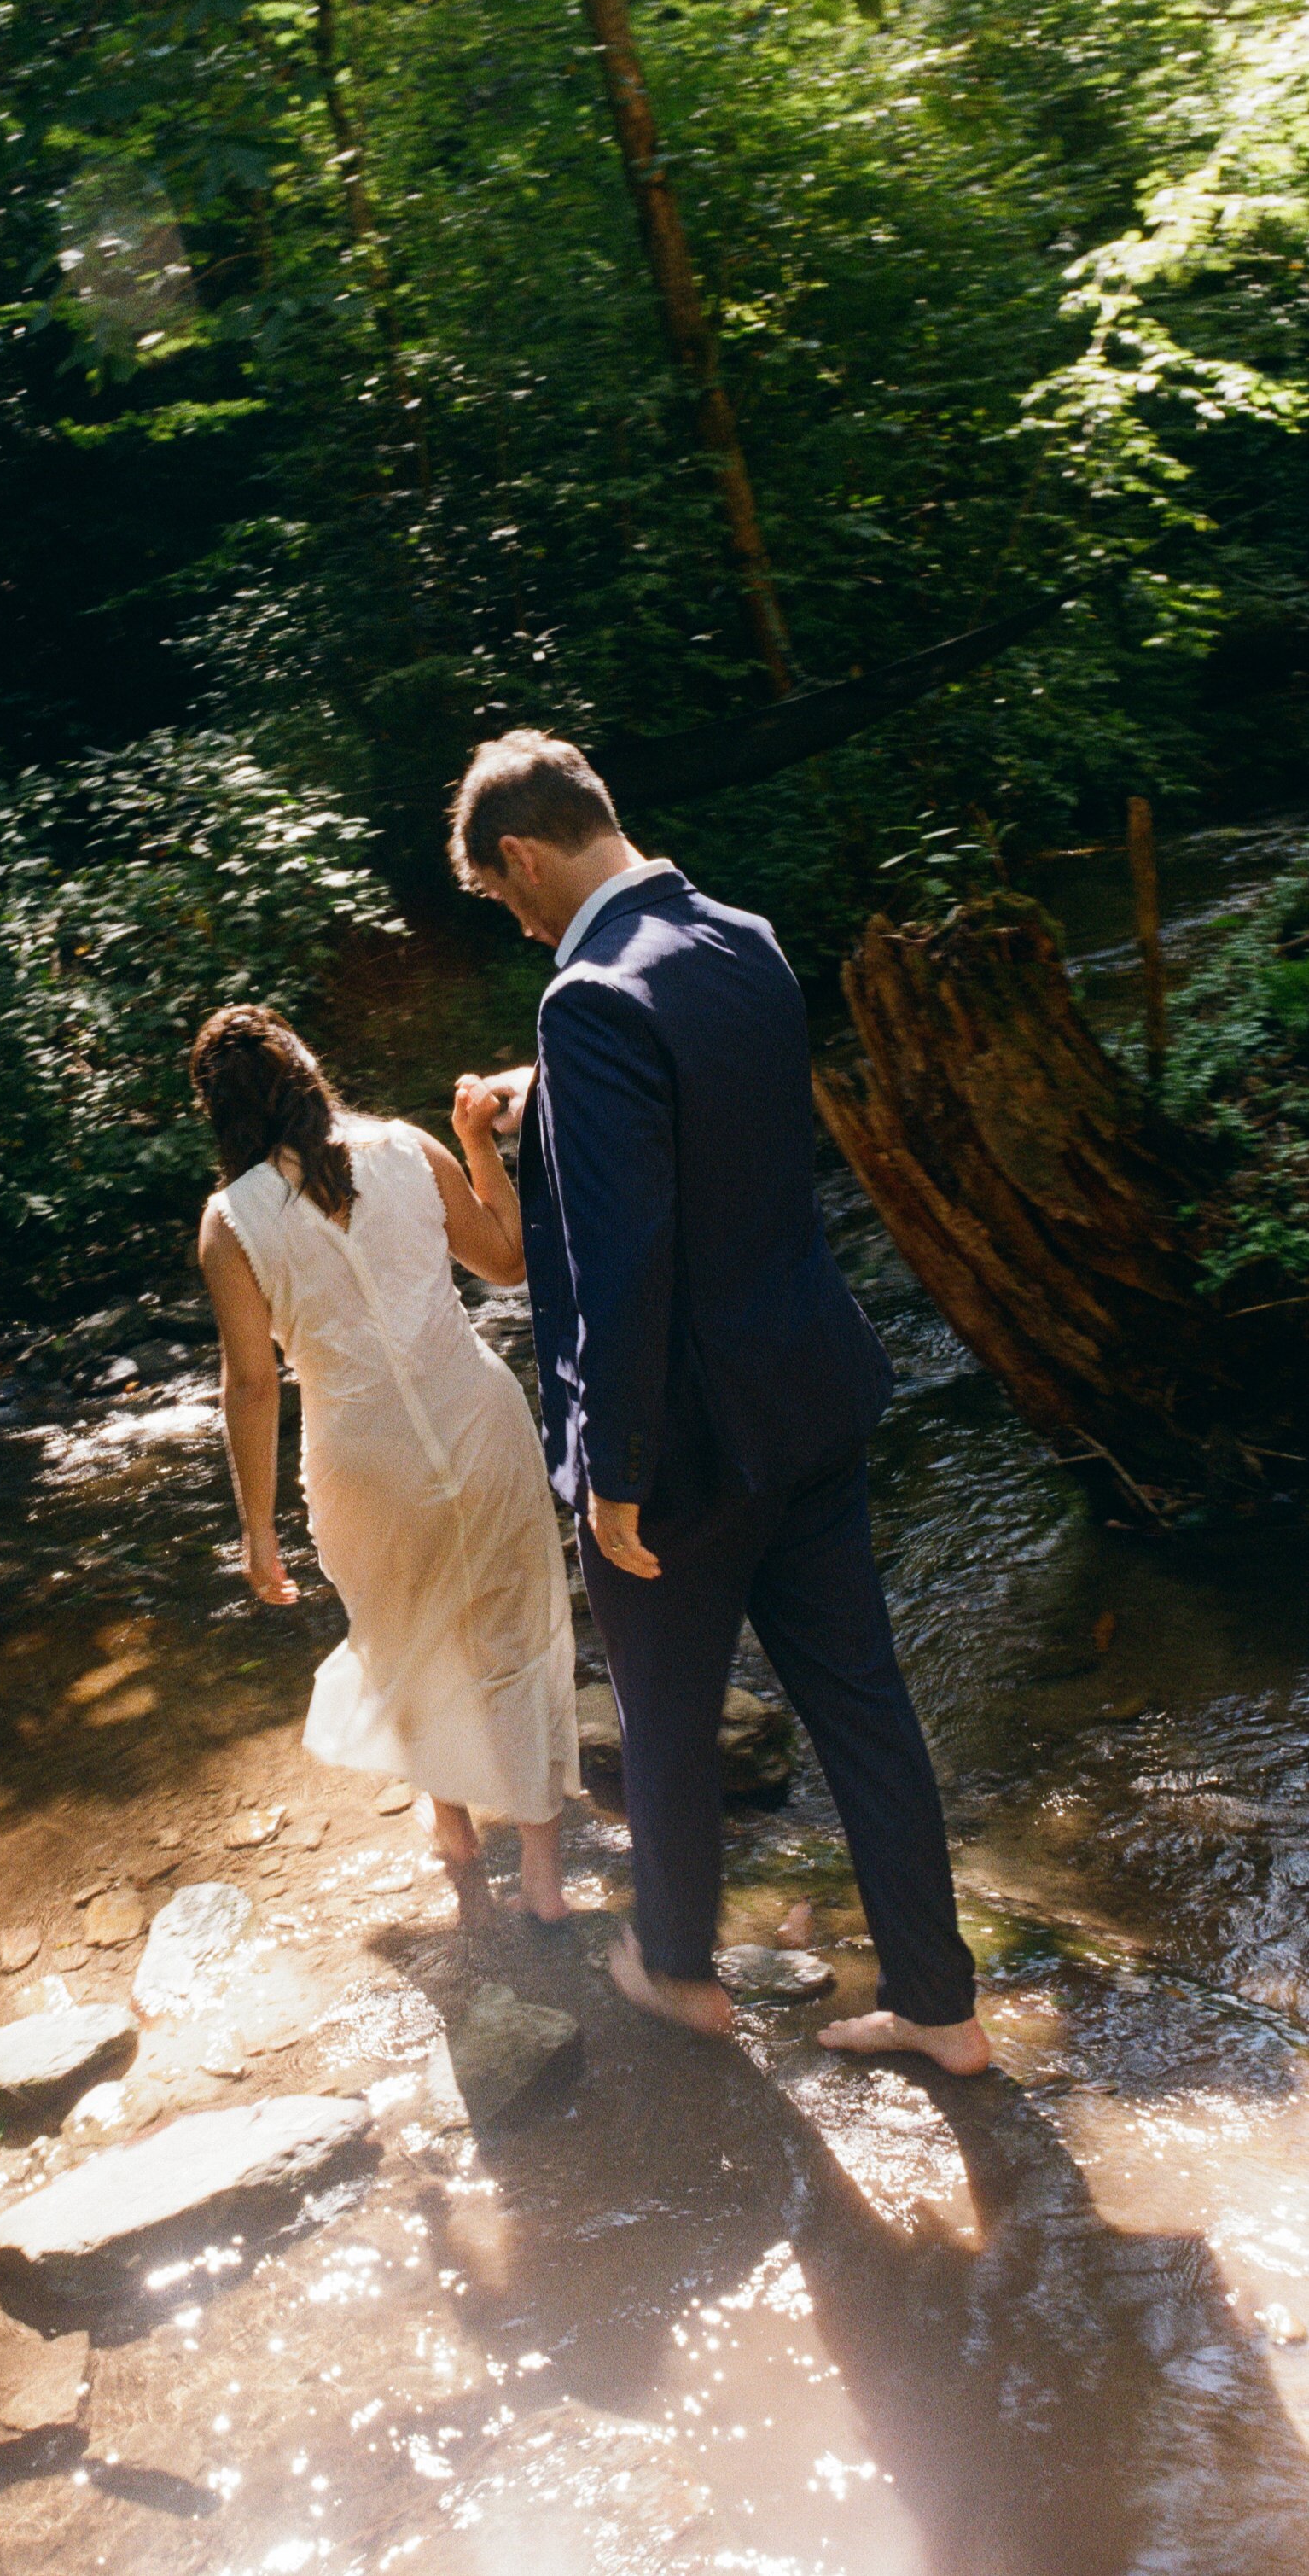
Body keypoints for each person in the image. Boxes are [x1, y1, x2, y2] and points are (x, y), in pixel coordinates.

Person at [449, 729, 990, 2072]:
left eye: (502, 895)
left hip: (681, 1450)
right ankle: (939, 2004)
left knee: (664, 1718)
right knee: (864, 1707)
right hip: (808, 1401)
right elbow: (721, 1135)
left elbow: (629, 1260)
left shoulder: (583, 999)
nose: (517, 924)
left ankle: (677, 1969)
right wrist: (552, 1109)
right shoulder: (741, 938)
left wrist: (611, 1467)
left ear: (519, 853)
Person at [190, 1003, 580, 1926]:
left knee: (404, 1635)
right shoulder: (405, 1147)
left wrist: (256, 1530)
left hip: (361, 1459)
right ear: (306, 1067)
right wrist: (477, 1147)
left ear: (219, 1110)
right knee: (518, 1628)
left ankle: (451, 1832)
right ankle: (542, 1874)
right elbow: (507, 1259)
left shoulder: (229, 1222)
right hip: (476, 1417)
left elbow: (252, 1385)